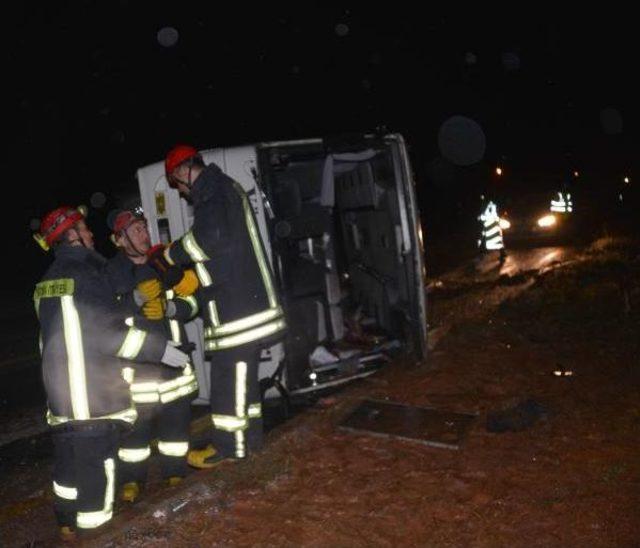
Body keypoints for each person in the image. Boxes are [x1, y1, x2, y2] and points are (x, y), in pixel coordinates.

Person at [33, 206, 189, 540]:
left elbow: (66, 333)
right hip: (93, 401)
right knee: (96, 489)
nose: (91, 235)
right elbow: (107, 335)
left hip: (62, 402)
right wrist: (159, 350)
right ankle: (94, 536)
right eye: (85, 229)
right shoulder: (89, 275)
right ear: (72, 236)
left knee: (68, 474)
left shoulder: (46, 283)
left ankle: (66, 525)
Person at [147, 144, 286, 462]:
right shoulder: (223, 188)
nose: (182, 194)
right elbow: (221, 248)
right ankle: (251, 442)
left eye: (178, 186)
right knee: (244, 385)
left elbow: (211, 239)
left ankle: (228, 450)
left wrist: (171, 253)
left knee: (227, 382)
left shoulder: (212, 190)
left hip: (236, 312)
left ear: (183, 171)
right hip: (241, 307)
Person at [106, 208, 212, 503]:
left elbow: (195, 301)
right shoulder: (111, 273)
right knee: (134, 438)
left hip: (175, 370)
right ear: (119, 240)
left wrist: (173, 308)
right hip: (136, 374)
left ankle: (175, 473)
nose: (144, 234)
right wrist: (134, 301)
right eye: (135, 230)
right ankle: (132, 481)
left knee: (176, 431)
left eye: (144, 227)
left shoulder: (163, 262)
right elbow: (104, 317)